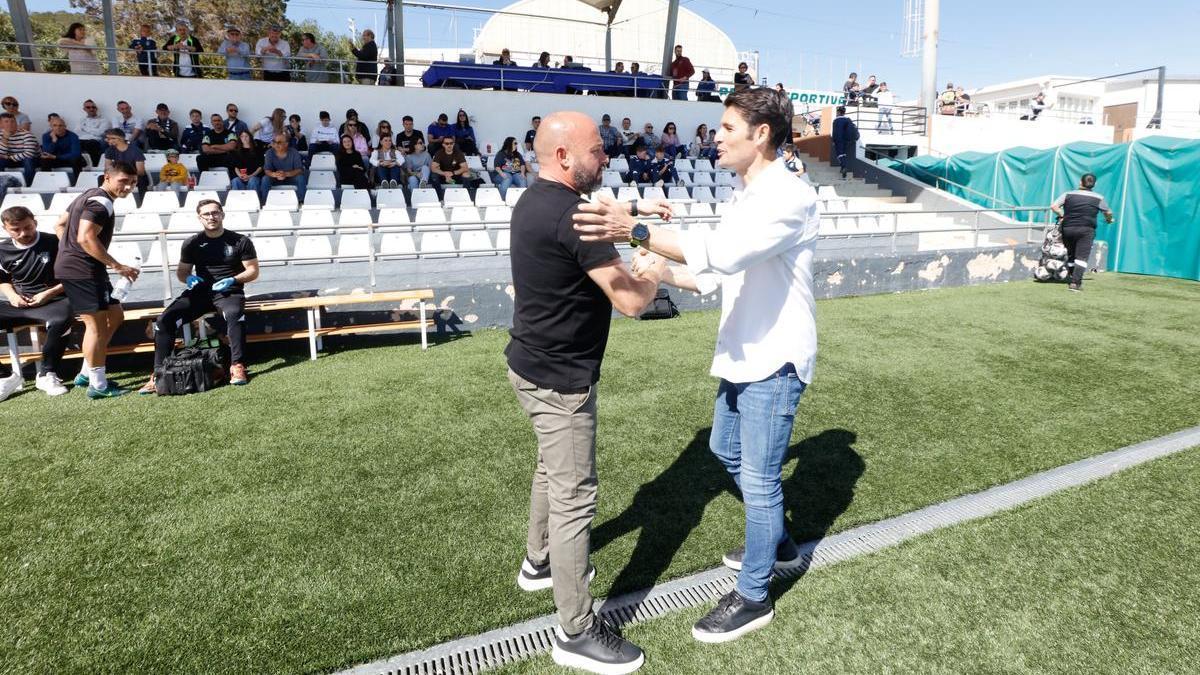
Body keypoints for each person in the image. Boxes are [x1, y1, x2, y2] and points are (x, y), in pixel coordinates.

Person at [572, 86, 820, 645]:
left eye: (728, 128)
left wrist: (631, 228)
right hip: (744, 351)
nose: (717, 138)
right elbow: (719, 272)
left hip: (775, 356)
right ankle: (774, 539)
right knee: (723, 450)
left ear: (761, 135)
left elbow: (725, 255)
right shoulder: (747, 193)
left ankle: (755, 595)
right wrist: (659, 270)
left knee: (758, 480)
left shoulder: (789, 195)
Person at [506, 111, 668, 675]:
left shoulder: (535, 200)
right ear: (565, 157)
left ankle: (538, 562)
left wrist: (639, 213)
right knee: (575, 495)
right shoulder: (575, 218)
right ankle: (575, 632)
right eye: (598, 151)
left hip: (528, 363)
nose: (607, 158)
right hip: (562, 379)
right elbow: (630, 301)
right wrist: (649, 270)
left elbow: (589, 216)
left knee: (550, 472)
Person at [139, 199, 259, 394]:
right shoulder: (192, 243)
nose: (211, 217)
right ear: (200, 218)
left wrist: (233, 280)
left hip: (228, 291)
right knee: (163, 321)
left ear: (222, 214)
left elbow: (253, 271)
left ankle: (237, 365)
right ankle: (159, 374)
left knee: (234, 314)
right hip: (199, 293)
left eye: (215, 213)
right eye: (206, 214)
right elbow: (182, 272)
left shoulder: (240, 241)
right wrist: (188, 279)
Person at [53, 161, 140, 399]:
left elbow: (60, 225)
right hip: (84, 272)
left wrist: (69, 251)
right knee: (96, 328)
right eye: (123, 181)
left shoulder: (87, 195)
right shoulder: (101, 203)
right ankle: (98, 385)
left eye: (133, 182)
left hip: (85, 269)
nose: (129, 187)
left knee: (115, 315)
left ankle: (86, 373)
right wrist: (117, 265)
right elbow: (85, 238)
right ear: (107, 178)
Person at [0, 206, 71, 397]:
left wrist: (48, 294)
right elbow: (3, 280)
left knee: (62, 319)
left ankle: (47, 373)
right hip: (19, 303)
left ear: (35, 222)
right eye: (16, 230)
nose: (24, 233)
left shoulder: (55, 242)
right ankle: (5, 377)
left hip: (53, 300)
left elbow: (75, 275)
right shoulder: (3, 249)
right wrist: (13, 297)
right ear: (5, 229)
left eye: (28, 227)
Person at [1051, 172, 1114, 292]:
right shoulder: (1098, 198)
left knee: (1071, 254)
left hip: (1068, 228)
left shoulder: (1068, 194)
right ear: (1094, 184)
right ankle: (1075, 283)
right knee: (1081, 257)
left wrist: (1062, 215)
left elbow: (1054, 206)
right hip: (1086, 230)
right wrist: (1109, 220)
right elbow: (1108, 212)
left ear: (1080, 182)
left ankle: (1071, 276)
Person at [261, 133, 307, 203]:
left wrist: (286, 174)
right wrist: (275, 174)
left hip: (291, 177)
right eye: (274, 142)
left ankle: (301, 202)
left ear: (286, 144)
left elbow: (299, 170)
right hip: (275, 178)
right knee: (265, 179)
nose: (276, 144)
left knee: (301, 178)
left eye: (279, 142)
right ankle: (265, 202)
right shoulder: (269, 152)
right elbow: (267, 170)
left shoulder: (294, 152)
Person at [0, 113, 39, 183]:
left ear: (16, 123)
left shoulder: (27, 134)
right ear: (1, 125)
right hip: (9, 159)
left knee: (28, 160)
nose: (10, 124)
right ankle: (2, 183)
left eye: (12, 121)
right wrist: (5, 138)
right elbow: (1, 154)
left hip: (28, 159)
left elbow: (29, 154)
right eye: (6, 122)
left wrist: (9, 157)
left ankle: (29, 185)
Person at [228, 130, 263, 196]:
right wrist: (240, 176)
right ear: (240, 138)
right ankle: (236, 201)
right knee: (235, 181)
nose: (244, 138)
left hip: (254, 176)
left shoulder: (257, 149)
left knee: (252, 181)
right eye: (242, 136)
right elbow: (236, 167)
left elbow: (260, 167)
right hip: (241, 176)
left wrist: (251, 176)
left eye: (246, 136)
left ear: (250, 137)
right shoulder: (236, 151)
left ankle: (254, 202)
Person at [75, 99, 109, 166]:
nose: (91, 109)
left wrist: (84, 128)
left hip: (95, 141)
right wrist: (93, 130)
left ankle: (95, 166)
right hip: (81, 140)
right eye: (88, 107)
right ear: (84, 109)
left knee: (91, 144)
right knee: (73, 144)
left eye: (93, 107)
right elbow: (77, 132)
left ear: (96, 109)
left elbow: (100, 133)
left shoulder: (104, 120)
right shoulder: (81, 120)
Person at [831, 106, 858, 179]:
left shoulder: (836, 121)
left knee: (839, 154)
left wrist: (833, 140)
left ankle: (844, 167)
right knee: (844, 154)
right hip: (848, 140)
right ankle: (842, 169)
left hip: (839, 140)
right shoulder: (848, 120)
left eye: (837, 112)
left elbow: (835, 132)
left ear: (839, 112)